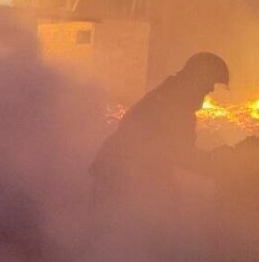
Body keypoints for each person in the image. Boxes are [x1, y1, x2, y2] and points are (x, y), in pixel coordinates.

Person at [90, 52, 230, 204]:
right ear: (198, 79)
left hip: (121, 169)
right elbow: (182, 154)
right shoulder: (175, 104)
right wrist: (221, 166)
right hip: (122, 173)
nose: (210, 90)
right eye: (209, 83)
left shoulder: (172, 96)